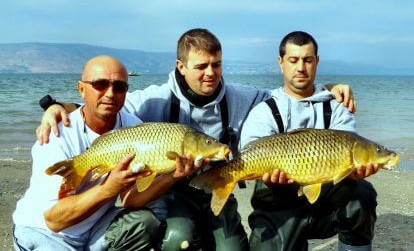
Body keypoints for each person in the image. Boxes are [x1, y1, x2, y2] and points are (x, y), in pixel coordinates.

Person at [36, 29, 356, 250]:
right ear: (181, 67)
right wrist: (55, 106)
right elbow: (103, 103)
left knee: (232, 248)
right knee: (179, 239)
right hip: (171, 193)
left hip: (218, 185)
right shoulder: (153, 100)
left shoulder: (242, 97)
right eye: (201, 66)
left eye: (216, 65)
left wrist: (330, 88)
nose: (210, 73)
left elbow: (291, 94)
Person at [13, 55, 198, 250]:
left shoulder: (134, 127)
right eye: (100, 84)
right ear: (81, 89)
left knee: (146, 221)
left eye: (119, 87)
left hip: (94, 228)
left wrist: (173, 176)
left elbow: (130, 199)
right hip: (45, 233)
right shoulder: (56, 134)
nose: (110, 93)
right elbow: (54, 220)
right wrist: (109, 188)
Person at [240, 31, 378, 251]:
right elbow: (249, 152)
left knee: (362, 193)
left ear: (317, 62)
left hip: (325, 202)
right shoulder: (264, 111)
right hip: (278, 204)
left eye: (308, 60)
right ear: (281, 62)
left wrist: (355, 172)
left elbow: (349, 150)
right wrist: (269, 178)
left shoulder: (336, 107)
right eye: (293, 60)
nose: (301, 67)